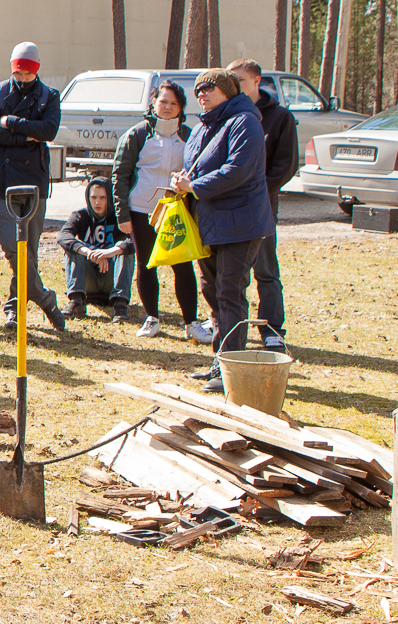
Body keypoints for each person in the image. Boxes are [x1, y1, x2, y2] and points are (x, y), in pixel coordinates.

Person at [174, 69, 274, 392]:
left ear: (228, 91)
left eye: (209, 89)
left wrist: (195, 185)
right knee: (212, 292)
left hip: (241, 224)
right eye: (198, 90)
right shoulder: (204, 127)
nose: (201, 94)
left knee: (230, 292)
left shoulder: (245, 121)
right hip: (210, 223)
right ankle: (220, 362)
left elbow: (238, 170)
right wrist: (182, 181)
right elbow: (195, 167)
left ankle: (230, 369)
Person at [0, 41, 67, 333]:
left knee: (29, 250)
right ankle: (45, 299)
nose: (21, 79)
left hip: (33, 181)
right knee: (12, 247)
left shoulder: (49, 96)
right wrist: (28, 135)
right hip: (1, 179)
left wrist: (13, 122)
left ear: (37, 70)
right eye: (17, 73)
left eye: (27, 74)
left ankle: (15, 307)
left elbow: (49, 131)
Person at [110, 82, 205, 339]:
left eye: (174, 103)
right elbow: (120, 175)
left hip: (174, 211)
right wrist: (123, 215)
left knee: (182, 265)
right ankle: (151, 318)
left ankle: (191, 323)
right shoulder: (136, 134)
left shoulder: (190, 135)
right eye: (163, 102)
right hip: (142, 209)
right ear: (153, 103)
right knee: (145, 263)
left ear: (181, 108)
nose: (167, 107)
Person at [229, 58, 297, 353]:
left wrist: (255, 190)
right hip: (230, 210)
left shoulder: (279, 117)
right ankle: (232, 329)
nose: (235, 87)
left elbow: (285, 165)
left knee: (266, 271)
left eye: (240, 81)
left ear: (257, 81)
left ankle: (271, 330)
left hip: (262, 208)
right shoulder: (228, 114)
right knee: (232, 275)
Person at [58, 179, 134, 320]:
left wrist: (110, 252)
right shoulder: (80, 215)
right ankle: (76, 302)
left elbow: (135, 240)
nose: (97, 202)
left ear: (110, 198)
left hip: (111, 277)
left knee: (126, 250)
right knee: (73, 248)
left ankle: (120, 305)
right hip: (89, 279)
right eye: (93, 197)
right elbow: (63, 236)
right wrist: (88, 251)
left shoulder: (119, 217)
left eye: (102, 198)